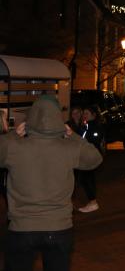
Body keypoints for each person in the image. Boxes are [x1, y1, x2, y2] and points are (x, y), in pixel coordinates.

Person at [0, 96, 102, 271]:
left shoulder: (14, 147)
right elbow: (95, 158)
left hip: (22, 227)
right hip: (58, 227)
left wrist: (12, 136)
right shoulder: (69, 147)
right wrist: (73, 136)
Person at [76, 105, 105, 213]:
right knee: (87, 178)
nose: (84, 115)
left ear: (94, 115)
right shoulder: (86, 125)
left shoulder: (95, 127)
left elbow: (93, 141)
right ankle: (92, 201)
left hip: (91, 156)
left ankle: (93, 202)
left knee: (86, 178)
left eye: (87, 113)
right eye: (83, 113)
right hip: (86, 156)